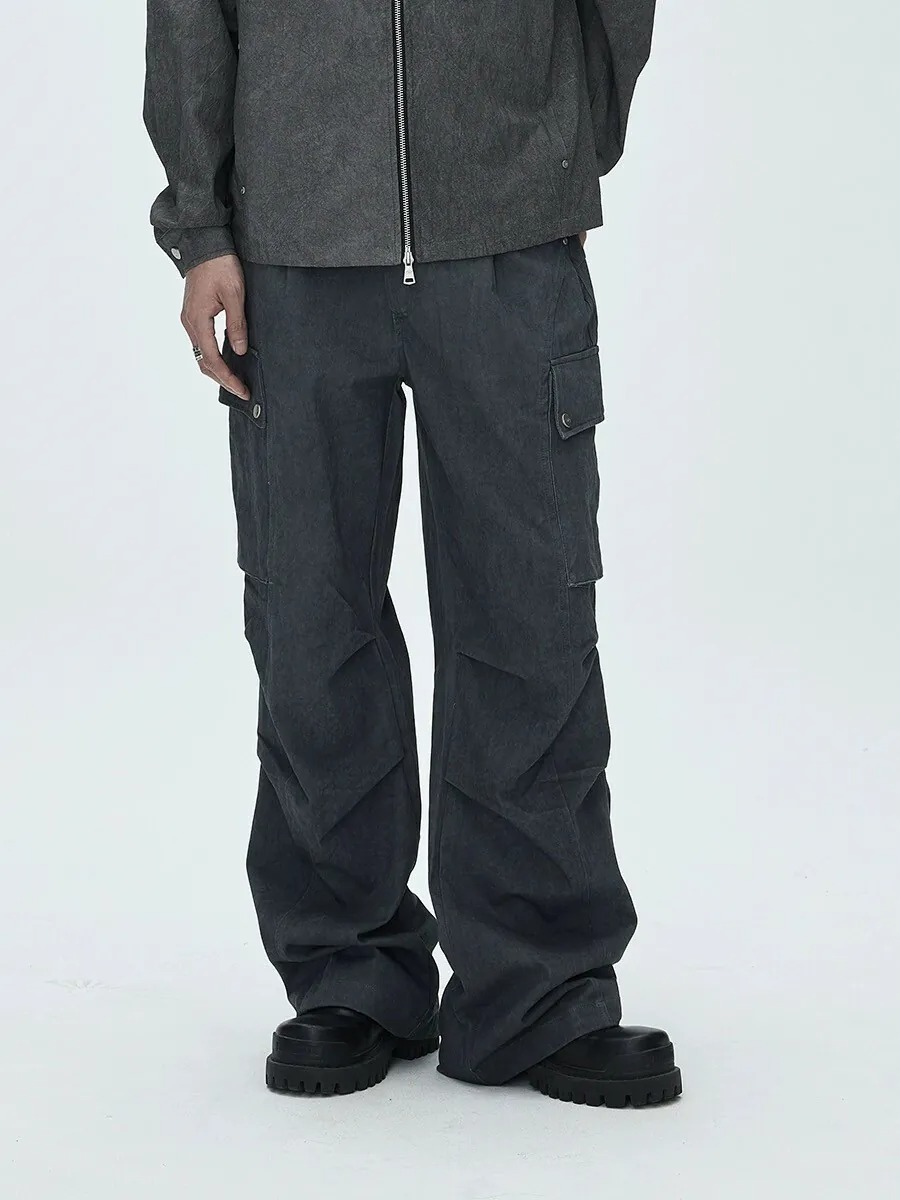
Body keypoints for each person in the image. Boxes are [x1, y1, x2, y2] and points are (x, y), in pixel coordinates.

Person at [144, 0, 681, 1108]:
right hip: (293, 244)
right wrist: (204, 227)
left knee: (530, 615)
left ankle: (539, 987)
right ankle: (350, 971)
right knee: (309, 620)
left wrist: (551, 151)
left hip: (509, 236)